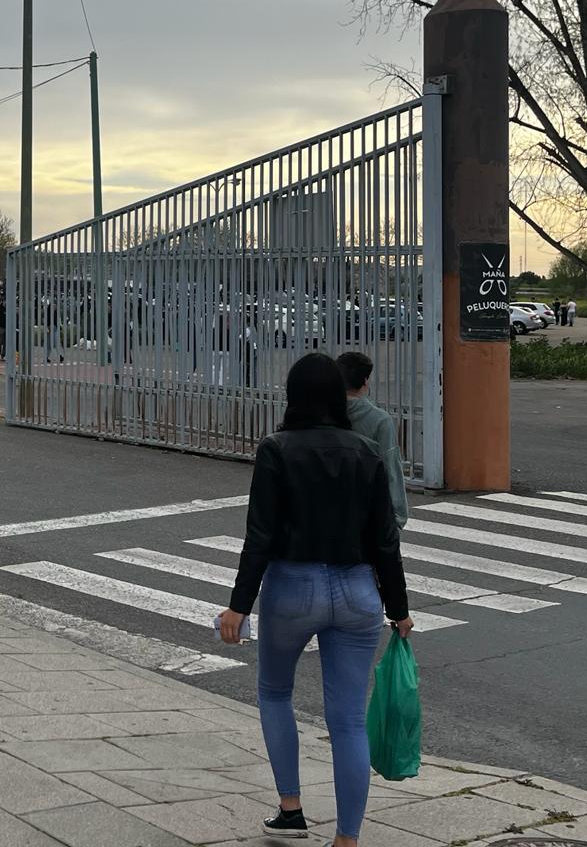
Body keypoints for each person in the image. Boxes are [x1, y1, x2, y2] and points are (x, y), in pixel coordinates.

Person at [218, 353, 411, 847]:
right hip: (357, 591)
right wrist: (399, 609)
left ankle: (291, 809)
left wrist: (239, 605)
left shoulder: (277, 449)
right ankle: (347, 839)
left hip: (292, 586)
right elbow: (384, 539)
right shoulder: (367, 452)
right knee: (348, 719)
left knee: (275, 692)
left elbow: (259, 534)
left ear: (293, 396)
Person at [337, 351, 408, 528]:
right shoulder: (379, 420)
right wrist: (398, 517)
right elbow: (390, 468)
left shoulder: (322, 413)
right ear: (365, 381)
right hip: (367, 513)